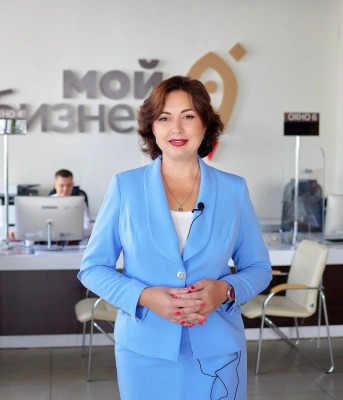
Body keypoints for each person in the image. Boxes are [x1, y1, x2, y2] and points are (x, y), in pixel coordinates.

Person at [78, 76, 272, 399]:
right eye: (164, 118)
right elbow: (92, 268)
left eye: (188, 116)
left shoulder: (233, 189)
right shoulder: (125, 187)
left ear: (205, 124)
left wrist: (225, 290)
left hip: (218, 351)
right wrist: (144, 296)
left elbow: (260, 268)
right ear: (152, 128)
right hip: (144, 349)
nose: (177, 129)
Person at [51, 169, 92, 238]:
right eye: (61, 185)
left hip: (75, 241)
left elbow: (88, 228)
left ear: (73, 185)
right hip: (52, 240)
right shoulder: (47, 202)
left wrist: (71, 235)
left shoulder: (80, 203)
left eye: (69, 185)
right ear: (55, 185)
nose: (65, 189)